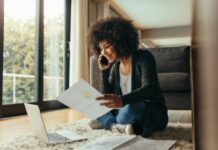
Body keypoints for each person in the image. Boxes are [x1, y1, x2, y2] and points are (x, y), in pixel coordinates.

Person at [87, 17, 168, 137]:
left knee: (131, 107)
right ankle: (118, 126)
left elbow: (148, 89)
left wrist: (121, 100)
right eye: (101, 49)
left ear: (120, 41)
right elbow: (107, 97)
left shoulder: (144, 58)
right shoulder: (115, 66)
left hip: (149, 111)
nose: (103, 52)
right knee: (96, 107)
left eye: (107, 46)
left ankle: (110, 123)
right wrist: (104, 72)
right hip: (124, 110)